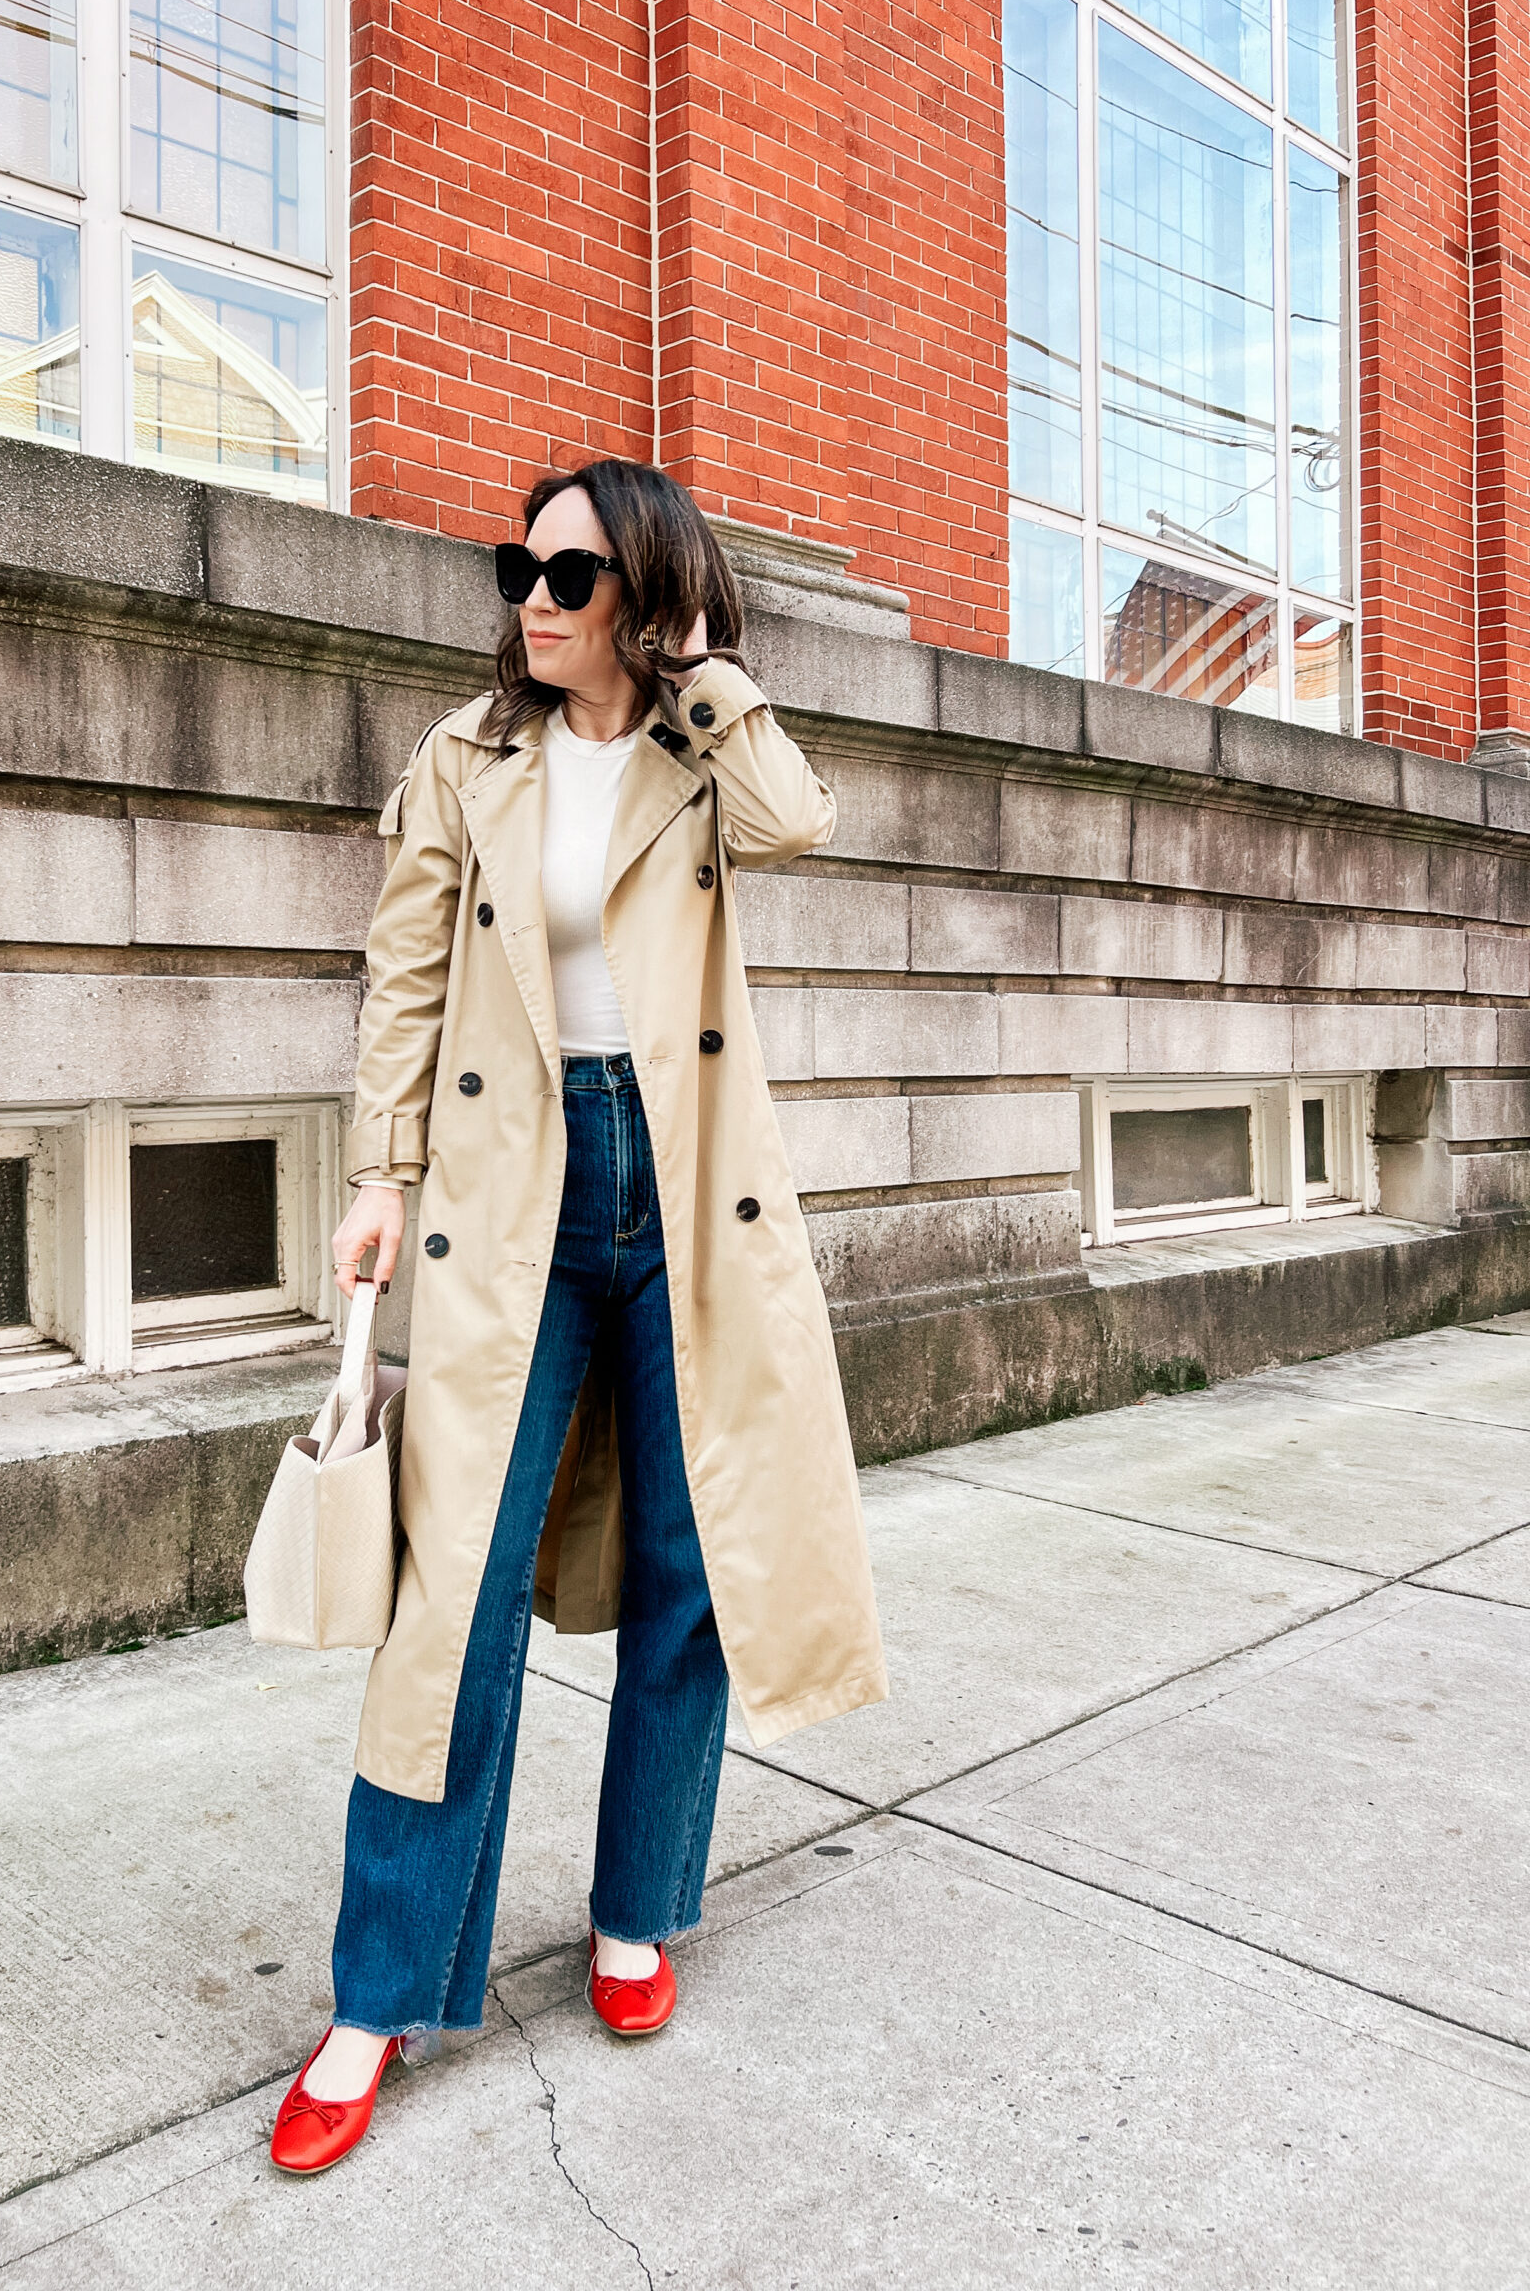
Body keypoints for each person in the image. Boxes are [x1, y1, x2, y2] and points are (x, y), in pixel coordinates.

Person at [270, 458, 888, 2175]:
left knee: (693, 1569)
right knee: (450, 1598)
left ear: (647, 595)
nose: (531, 599)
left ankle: (638, 1911)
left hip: (680, 1188)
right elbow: (404, 973)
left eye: (569, 573)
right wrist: (381, 1173)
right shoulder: (464, 764)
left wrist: (701, 670)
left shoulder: (700, 756)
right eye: (517, 568)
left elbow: (801, 820)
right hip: (507, 1182)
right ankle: (374, 1996)